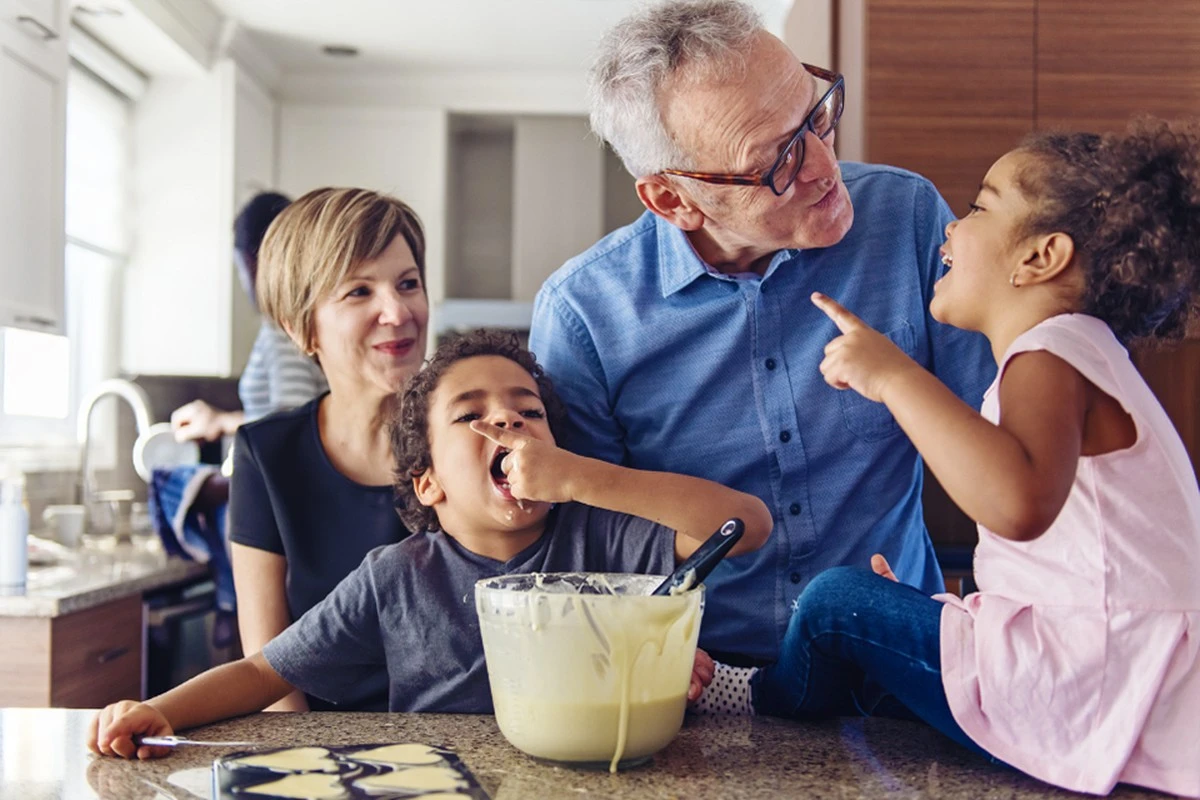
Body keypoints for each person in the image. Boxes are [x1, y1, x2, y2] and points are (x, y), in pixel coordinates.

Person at [702, 120, 1200, 798]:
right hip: (1115, 674)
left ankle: (752, 698)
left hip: (1093, 678)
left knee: (835, 602)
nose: (952, 230)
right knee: (886, 634)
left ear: (1040, 257)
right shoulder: (1083, 357)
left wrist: (894, 377)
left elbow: (1017, 504)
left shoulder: (1050, 355)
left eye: (980, 206)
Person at [528, 0, 994, 664]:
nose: (823, 167)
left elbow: (999, 435)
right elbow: (591, 536)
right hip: (699, 685)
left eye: (816, 118)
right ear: (673, 200)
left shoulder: (907, 217)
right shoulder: (584, 317)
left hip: (900, 656)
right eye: (774, 161)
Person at [87, 331, 772, 758]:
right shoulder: (396, 578)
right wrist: (162, 709)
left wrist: (586, 480)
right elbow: (266, 673)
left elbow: (746, 525)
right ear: (430, 483)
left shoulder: (605, 534)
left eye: (528, 411)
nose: (506, 417)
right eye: (471, 416)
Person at [227, 188, 429, 712]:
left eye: (408, 284)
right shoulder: (265, 454)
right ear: (301, 329)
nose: (397, 310)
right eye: (359, 292)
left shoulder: (469, 439)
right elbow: (270, 673)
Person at [170, 191, 327, 443]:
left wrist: (221, 421)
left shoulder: (284, 326)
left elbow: (292, 420)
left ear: (254, 260)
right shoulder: (300, 320)